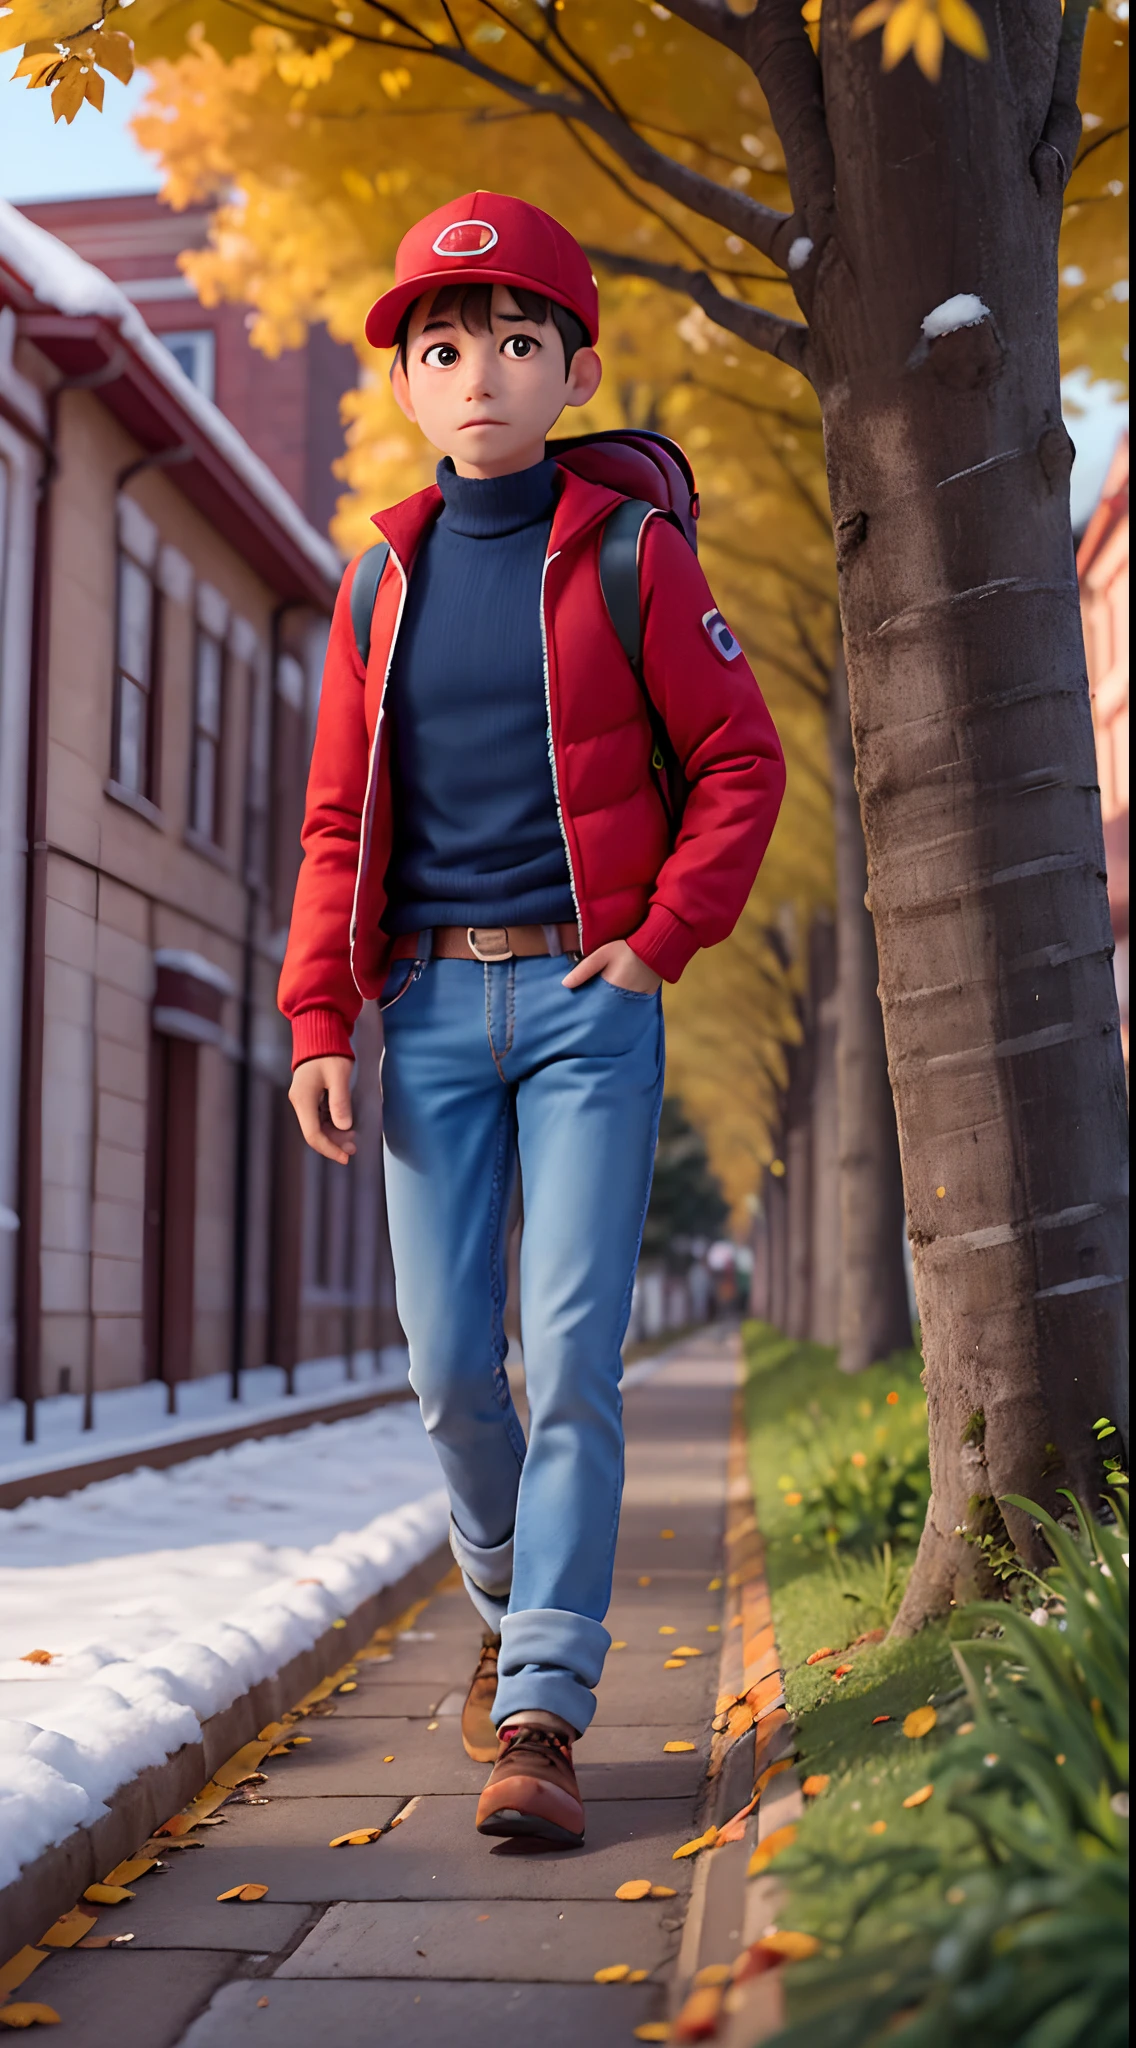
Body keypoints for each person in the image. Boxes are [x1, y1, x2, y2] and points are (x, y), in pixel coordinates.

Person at [279, 190, 785, 1847]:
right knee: (446, 1372)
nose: (479, 369)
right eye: (444, 346)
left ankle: (545, 1710)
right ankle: (505, 1597)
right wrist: (319, 1022)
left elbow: (740, 767)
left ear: (572, 369)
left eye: (515, 342)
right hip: (420, 1002)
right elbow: (338, 825)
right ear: (410, 386)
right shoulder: (376, 586)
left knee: (572, 1354)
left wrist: (656, 947)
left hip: (586, 1001)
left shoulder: (635, 554)